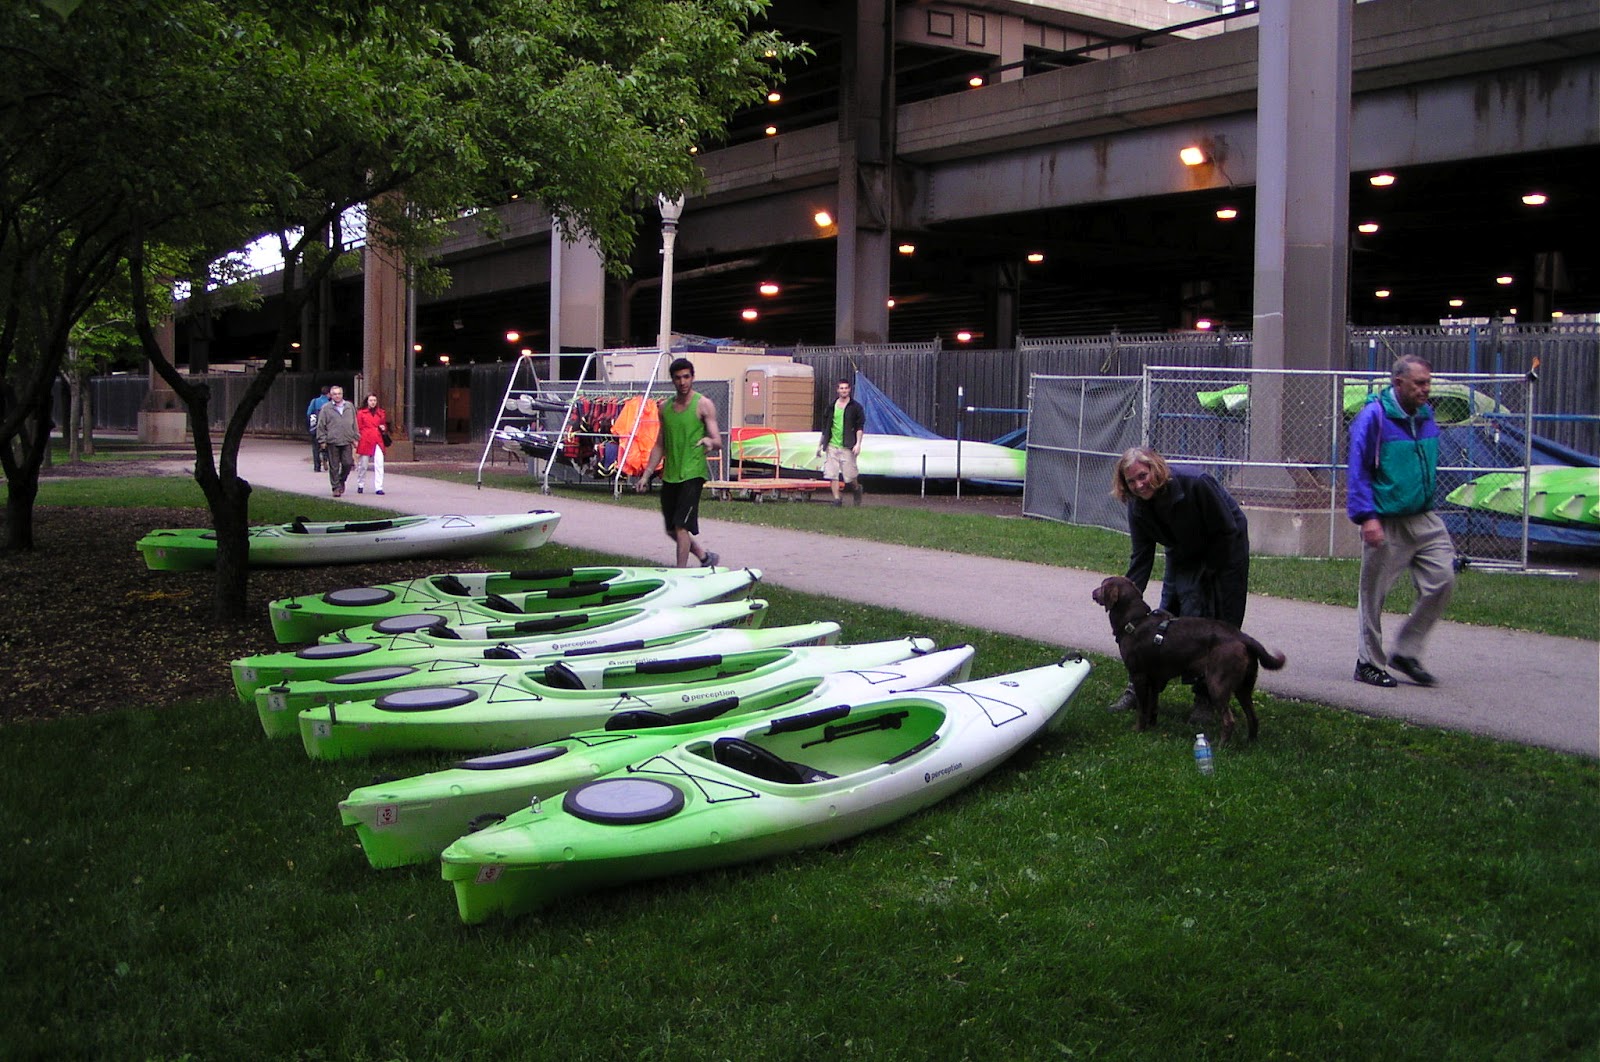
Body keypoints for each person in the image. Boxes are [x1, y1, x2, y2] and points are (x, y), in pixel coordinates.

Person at [1106, 446, 1251, 715]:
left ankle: (1207, 696)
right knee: (1165, 619)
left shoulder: (1195, 484)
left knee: (1216, 621)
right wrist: (1125, 598)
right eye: (1131, 481)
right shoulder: (1137, 506)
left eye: (1143, 475)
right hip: (1182, 548)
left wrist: (1208, 576)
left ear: (1155, 469)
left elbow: (1227, 529)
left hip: (1226, 547)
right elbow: (1142, 556)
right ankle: (1140, 688)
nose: (1139, 484)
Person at [1347, 355, 1455, 688]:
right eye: (1419, 383)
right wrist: (1367, 517)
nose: (1426, 390)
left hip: (1423, 516)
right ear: (1398, 383)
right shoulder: (1373, 418)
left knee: (1443, 579)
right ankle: (1368, 662)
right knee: (1374, 595)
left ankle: (1406, 652)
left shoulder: (1425, 415)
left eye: (1428, 382)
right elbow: (1358, 470)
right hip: (1385, 519)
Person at [634, 358, 723, 568]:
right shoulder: (664, 408)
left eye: (686, 377)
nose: (682, 382)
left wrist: (710, 441)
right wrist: (646, 475)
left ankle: (680, 573)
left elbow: (718, 440)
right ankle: (704, 557)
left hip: (693, 473)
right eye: (678, 378)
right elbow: (659, 444)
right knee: (671, 529)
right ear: (672, 380)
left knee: (681, 526)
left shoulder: (703, 404)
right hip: (671, 474)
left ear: (692, 377)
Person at [815, 377, 865, 506]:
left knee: (850, 476)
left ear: (849, 390)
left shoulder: (856, 407)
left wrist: (858, 444)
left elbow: (859, 427)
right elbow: (826, 428)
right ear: (838, 390)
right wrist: (820, 445)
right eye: (841, 388)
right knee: (832, 474)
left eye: (846, 388)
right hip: (832, 445)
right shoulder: (831, 407)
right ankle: (837, 499)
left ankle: (856, 488)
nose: (844, 390)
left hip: (847, 445)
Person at [314, 385, 359, 497]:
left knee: (348, 463)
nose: (337, 396)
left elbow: (354, 423)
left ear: (342, 394)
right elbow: (321, 425)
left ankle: (341, 480)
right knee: (334, 466)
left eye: (339, 394)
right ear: (331, 395)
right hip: (332, 440)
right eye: (335, 394)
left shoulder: (349, 406)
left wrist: (355, 437)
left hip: (346, 439)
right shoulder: (326, 408)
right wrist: (322, 440)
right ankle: (335, 487)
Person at [354, 392, 390, 496]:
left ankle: (379, 487)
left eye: (374, 400)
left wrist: (383, 428)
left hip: (378, 440)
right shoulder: (361, 413)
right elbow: (359, 427)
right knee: (363, 465)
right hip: (365, 439)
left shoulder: (381, 412)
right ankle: (360, 483)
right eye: (371, 400)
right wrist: (357, 439)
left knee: (379, 464)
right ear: (367, 401)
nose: (373, 402)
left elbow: (383, 425)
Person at [306, 385, 331, 472]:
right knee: (327, 445)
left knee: (315, 446)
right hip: (326, 427)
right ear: (328, 394)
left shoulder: (315, 401)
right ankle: (325, 457)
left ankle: (317, 466)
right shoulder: (329, 403)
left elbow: (309, 412)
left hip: (316, 427)